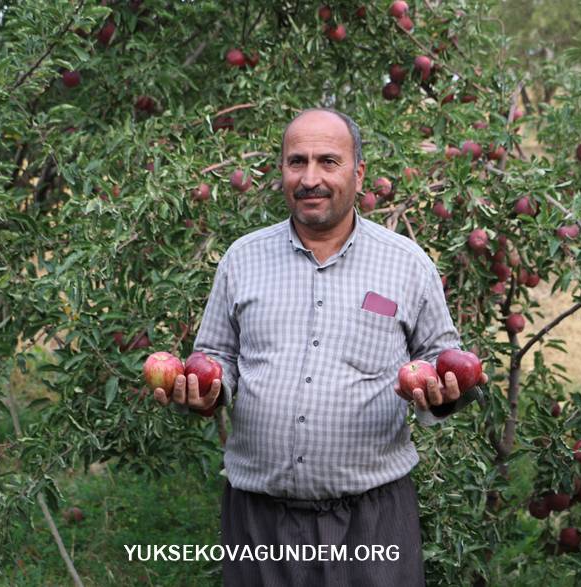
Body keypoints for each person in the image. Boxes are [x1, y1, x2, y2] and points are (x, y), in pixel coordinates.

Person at [151, 108, 488, 586]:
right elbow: (216, 358)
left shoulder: (407, 265)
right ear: (282, 172)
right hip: (259, 518)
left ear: (358, 172)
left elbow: (444, 359)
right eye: (297, 162)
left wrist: (448, 391)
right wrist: (206, 391)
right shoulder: (242, 259)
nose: (311, 178)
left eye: (328, 161)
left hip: (370, 517)